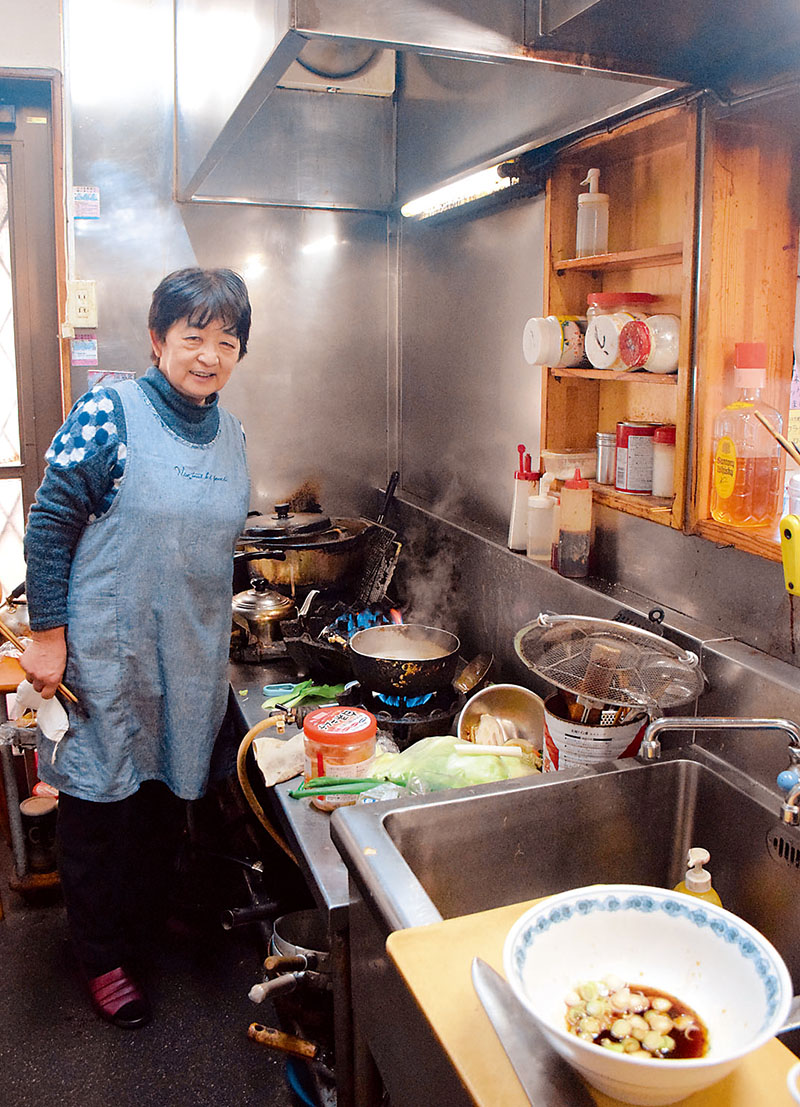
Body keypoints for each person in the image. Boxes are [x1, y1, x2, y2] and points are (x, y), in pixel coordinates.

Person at [20, 267, 252, 1029]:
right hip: (107, 653)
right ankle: (101, 955)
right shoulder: (109, 410)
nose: (210, 354)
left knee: (160, 799)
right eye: (194, 336)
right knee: (97, 809)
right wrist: (49, 638)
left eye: (227, 340)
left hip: (185, 653)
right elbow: (52, 520)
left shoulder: (234, 433)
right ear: (158, 340)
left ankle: (144, 925)